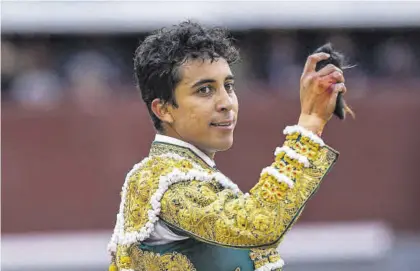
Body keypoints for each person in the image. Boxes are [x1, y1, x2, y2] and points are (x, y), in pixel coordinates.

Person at [108, 21, 346, 271]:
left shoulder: (194, 177)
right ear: (164, 109)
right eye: (205, 90)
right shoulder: (160, 181)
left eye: (229, 87)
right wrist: (309, 124)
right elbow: (257, 224)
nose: (226, 103)